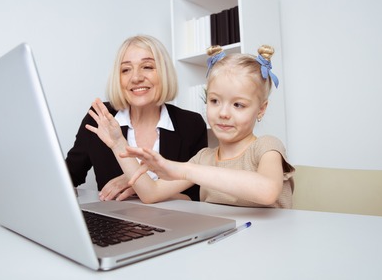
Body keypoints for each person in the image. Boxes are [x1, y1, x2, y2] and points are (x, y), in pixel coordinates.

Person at [87, 44, 295, 208]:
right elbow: (150, 194)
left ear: (261, 109)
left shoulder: (267, 147)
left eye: (238, 105)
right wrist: (118, 143)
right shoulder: (203, 158)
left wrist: (185, 170)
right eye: (214, 101)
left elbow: (267, 191)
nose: (223, 113)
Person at [66, 35, 207, 201]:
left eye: (147, 67)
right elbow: (68, 178)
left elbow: (197, 196)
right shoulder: (101, 117)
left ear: (164, 72)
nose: (136, 77)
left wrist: (140, 185)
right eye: (126, 70)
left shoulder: (191, 124)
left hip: (172, 222)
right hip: (116, 223)